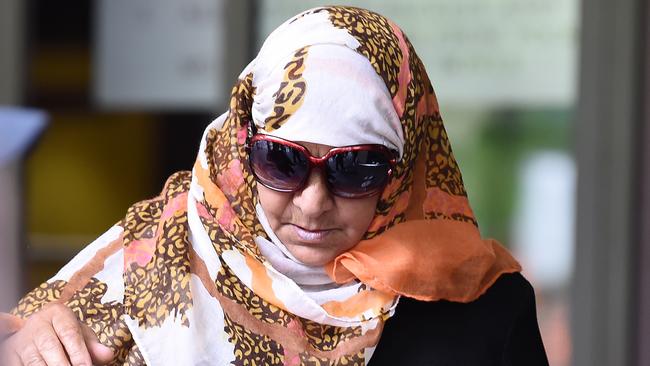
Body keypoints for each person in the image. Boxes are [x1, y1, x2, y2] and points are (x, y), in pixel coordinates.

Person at [0, 6, 548, 365]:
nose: (313, 203)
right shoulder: (149, 259)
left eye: (354, 168)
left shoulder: (481, 314)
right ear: (242, 150)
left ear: (401, 172)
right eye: (281, 161)